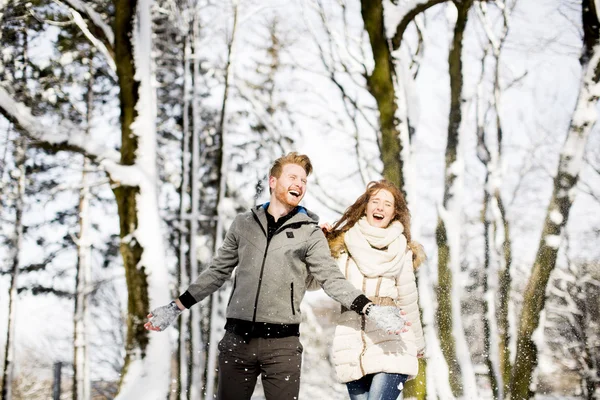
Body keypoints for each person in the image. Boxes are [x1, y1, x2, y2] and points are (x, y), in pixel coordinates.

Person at [144, 153, 409, 400]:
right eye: (293, 177)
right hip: (237, 342)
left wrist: (370, 309)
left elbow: (331, 279)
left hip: (282, 346)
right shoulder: (243, 225)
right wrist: (175, 307)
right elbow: (216, 272)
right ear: (273, 181)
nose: (300, 184)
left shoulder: (310, 232)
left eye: (304, 180)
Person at [322, 180, 426, 400]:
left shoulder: (402, 250)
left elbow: (408, 300)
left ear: (394, 213)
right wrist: (320, 246)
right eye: (375, 201)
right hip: (352, 343)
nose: (380, 207)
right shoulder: (342, 245)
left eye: (387, 204)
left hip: (391, 341)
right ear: (366, 207)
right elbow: (316, 282)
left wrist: (418, 343)